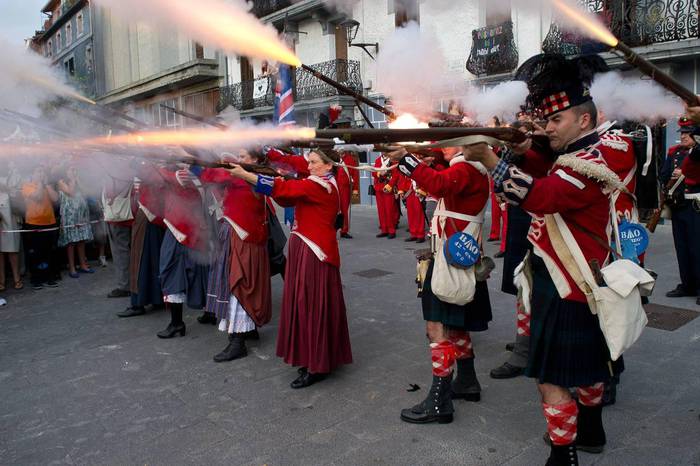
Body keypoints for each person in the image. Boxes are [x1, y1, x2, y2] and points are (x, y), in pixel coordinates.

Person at [465, 54, 626, 465]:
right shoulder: (594, 149)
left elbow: (542, 195)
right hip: (584, 277)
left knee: (551, 380)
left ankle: (562, 454)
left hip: (566, 279)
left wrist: (489, 159)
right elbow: (551, 163)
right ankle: (592, 432)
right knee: (590, 369)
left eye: (555, 122)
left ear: (584, 121)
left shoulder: (587, 163)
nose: (547, 128)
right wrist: (522, 147)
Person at [228, 150, 352, 388]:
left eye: (314, 163)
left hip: (313, 252)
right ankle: (317, 357)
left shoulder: (320, 186)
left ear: (328, 166)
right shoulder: (320, 182)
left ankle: (316, 364)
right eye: (309, 162)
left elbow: (285, 191)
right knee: (308, 305)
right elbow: (285, 198)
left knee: (311, 306)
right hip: (309, 248)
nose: (310, 166)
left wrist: (245, 174)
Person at [390, 144, 492, 425]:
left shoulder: (466, 168)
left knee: (437, 327)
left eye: (446, 141)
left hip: (451, 258)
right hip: (457, 254)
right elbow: (439, 187)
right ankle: (467, 382)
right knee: (456, 324)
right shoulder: (469, 168)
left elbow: (437, 184)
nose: (439, 146)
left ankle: (440, 401)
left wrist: (408, 160)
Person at [490, 120, 556, 380]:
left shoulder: (545, 151)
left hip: (540, 222)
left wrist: (523, 148)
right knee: (522, 289)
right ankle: (526, 341)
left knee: (533, 289)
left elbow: (535, 165)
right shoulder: (532, 149)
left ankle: (526, 348)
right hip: (523, 220)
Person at [200, 149, 271, 362]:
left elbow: (213, 175)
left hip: (245, 237)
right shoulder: (240, 173)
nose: (239, 160)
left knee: (239, 284)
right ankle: (247, 330)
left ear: (255, 160)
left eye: (243, 157)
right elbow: (207, 177)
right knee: (237, 283)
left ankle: (238, 341)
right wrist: (221, 162)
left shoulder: (258, 176)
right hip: (236, 234)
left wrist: (226, 165)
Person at [155, 165, 209, 339]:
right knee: (199, 271)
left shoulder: (185, 171)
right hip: (188, 225)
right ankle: (210, 312)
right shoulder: (184, 168)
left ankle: (177, 323)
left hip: (181, 227)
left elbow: (156, 174)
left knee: (171, 272)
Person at [660, 117, 700, 302]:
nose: (683, 136)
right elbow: (663, 174)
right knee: (682, 248)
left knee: (696, 248)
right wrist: (672, 175)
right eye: (682, 133)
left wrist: (685, 173)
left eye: (687, 132)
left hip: (696, 206)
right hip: (678, 205)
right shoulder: (674, 152)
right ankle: (687, 284)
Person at [117, 177, 165, 318]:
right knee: (152, 258)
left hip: (148, 210)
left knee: (139, 259)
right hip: (153, 210)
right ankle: (157, 298)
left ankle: (138, 303)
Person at [21, 165, 59, 290]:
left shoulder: (47, 186)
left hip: (50, 223)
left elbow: (56, 198)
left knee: (49, 252)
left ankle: (49, 277)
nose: (41, 173)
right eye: (38, 171)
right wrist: (39, 184)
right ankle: (36, 279)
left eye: (43, 171)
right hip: (33, 224)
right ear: (33, 174)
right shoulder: (27, 186)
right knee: (35, 254)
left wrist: (47, 185)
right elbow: (37, 197)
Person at [57, 165, 95, 278]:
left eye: (75, 169)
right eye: (71, 169)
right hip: (69, 216)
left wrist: (77, 180)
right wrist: (73, 180)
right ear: (65, 171)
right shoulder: (61, 181)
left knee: (81, 240)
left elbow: (86, 192)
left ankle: (83, 265)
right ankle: (72, 267)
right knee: (71, 242)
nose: (74, 171)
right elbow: (71, 192)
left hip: (81, 215)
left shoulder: (78, 180)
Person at [103, 177, 135, 298]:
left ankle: (124, 285)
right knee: (124, 251)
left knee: (120, 253)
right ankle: (129, 283)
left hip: (119, 219)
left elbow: (111, 193)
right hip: (125, 217)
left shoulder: (116, 173)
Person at [0, 162, 23, 290]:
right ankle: (1, 280)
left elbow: (19, 193)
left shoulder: (13, 173)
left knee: (12, 249)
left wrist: (7, 189)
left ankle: (16, 277)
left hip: (10, 215)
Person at [373, 153, 399, 238]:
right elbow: (373, 172)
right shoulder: (377, 160)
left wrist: (390, 185)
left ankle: (391, 230)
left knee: (389, 210)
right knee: (381, 210)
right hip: (379, 188)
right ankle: (384, 230)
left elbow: (396, 175)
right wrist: (379, 174)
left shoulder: (393, 160)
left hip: (388, 188)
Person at [397, 173, 426, 243]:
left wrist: (422, 190)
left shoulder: (420, 164)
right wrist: (401, 190)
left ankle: (420, 235)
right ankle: (413, 234)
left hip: (418, 191)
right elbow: (402, 178)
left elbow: (424, 178)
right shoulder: (405, 166)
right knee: (411, 213)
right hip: (409, 192)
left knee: (419, 213)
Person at [337, 150, 359, 239]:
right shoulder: (335, 158)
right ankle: (335, 228)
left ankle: (344, 230)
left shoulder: (350, 159)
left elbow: (355, 174)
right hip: (335, 187)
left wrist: (355, 189)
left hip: (345, 188)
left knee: (345, 210)